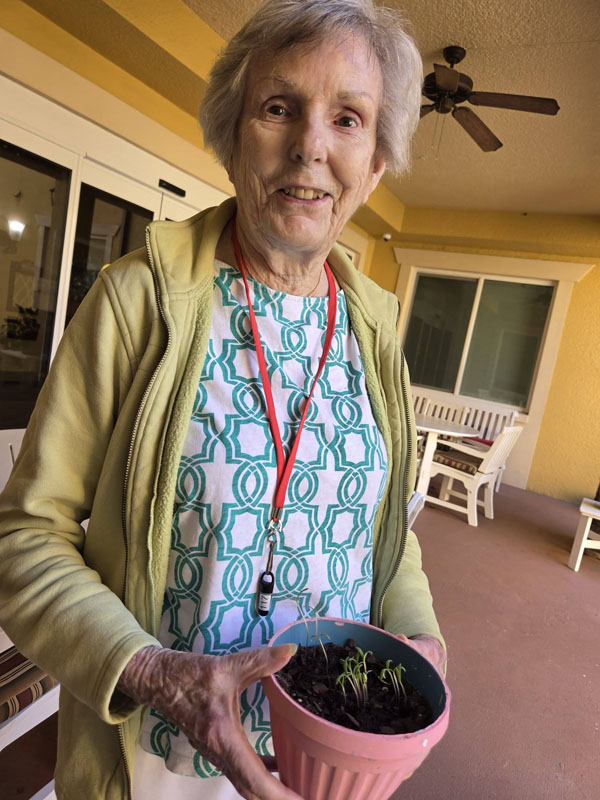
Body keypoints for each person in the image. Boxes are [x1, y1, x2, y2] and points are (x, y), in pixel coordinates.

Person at [0, 1, 446, 798]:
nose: (311, 144)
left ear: (375, 163)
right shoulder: (139, 300)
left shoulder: (377, 334)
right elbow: (26, 537)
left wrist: (422, 636)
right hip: (153, 759)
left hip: (326, 757)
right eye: (279, 108)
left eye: (348, 119)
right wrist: (154, 672)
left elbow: (386, 537)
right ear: (234, 136)